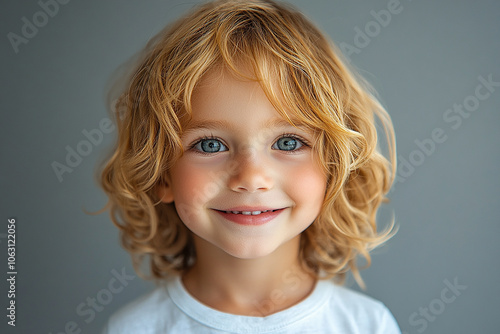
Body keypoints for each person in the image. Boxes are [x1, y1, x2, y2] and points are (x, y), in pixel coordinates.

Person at [99, 0, 401, 332]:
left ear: (336, 165)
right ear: (161, 173)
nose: (251, 178)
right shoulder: (133, 329)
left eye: (288, 142)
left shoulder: (368, 325)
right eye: (210, 145)